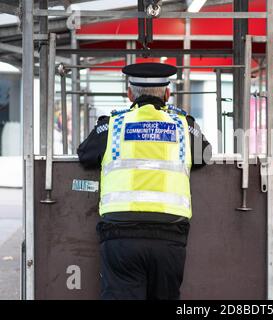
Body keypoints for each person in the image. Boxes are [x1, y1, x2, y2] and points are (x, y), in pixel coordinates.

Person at [77, 62, 211, 300]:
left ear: (130, 94)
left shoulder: (112, 126)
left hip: (120, 235)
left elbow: (85, 154)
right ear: (168, 94)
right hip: (170, 235)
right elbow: (206, 155)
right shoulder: (183, 126)